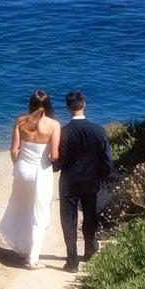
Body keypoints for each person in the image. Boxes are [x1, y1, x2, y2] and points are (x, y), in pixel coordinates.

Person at [0, 90, 61, 269]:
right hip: (41, 173)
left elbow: (13, 150)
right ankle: (32, 259)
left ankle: (22, 249)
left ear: (30, 104)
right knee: (39, 213)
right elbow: (54, 155)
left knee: (22, 208)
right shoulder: (54, 125)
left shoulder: (20, 121)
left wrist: (17, 167)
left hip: (22, 170)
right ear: (48, 105)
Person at [54, 90, 113, 273]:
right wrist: (101, 176)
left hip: (69, 183)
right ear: (84, 104)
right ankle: (89, 249)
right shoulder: (98, 130)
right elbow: (107, 161)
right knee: (90, 217)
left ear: (67, 108)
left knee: (69, 221)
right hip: (90, 180)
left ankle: (72, 262)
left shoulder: (64, 133)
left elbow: (58, 165)